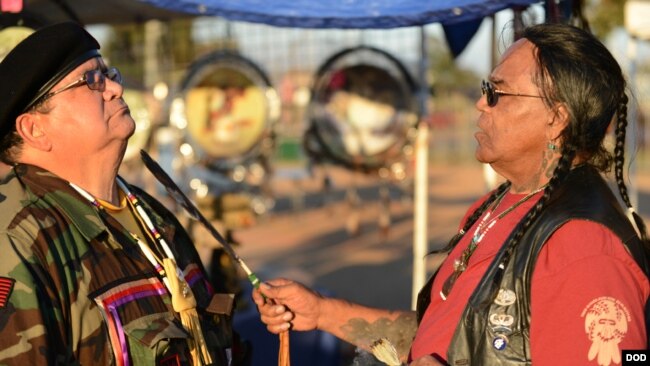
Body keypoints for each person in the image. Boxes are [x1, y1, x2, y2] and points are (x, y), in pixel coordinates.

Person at [254, 23, 650, 365]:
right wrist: (323, 312)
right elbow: (446, 336)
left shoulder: (583, 246)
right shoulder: (500, 203)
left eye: (497, 92)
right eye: (484, 89)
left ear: (556, 118)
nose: (480, 104)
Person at [0, 22, 243, 365]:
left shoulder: (153, 215)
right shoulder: (16, 237)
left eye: (108, 74)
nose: (115, 88)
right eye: (91, 81)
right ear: (35, 129)